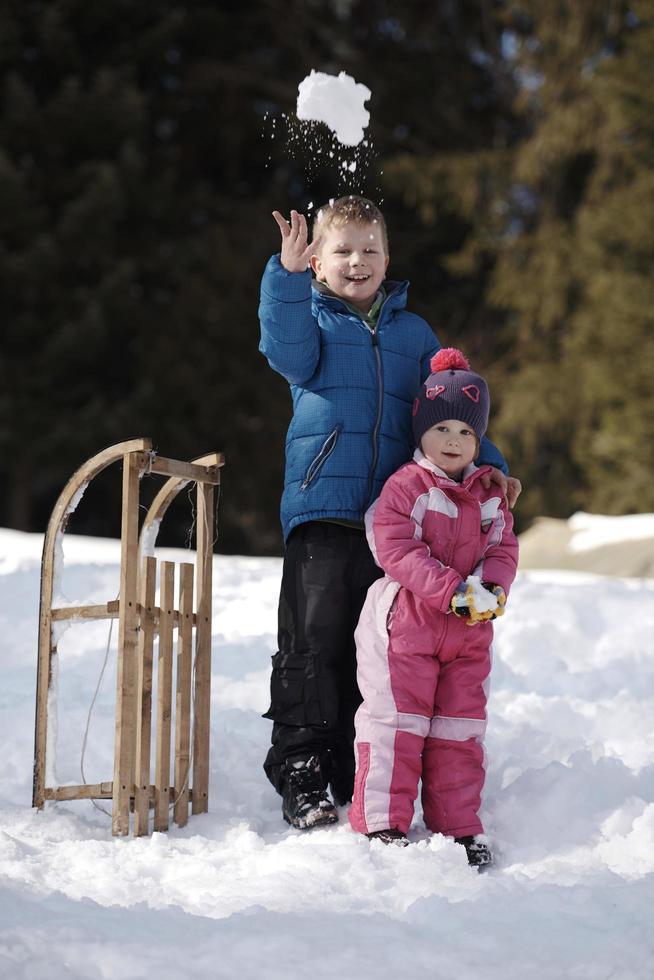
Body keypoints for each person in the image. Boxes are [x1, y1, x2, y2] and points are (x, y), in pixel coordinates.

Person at [258, 195, 521, 830]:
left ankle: (355, 762)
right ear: (318, 261)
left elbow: (443, 412)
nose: (357, 261)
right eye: (342, 251)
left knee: (369, 647)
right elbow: (282, 348)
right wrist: (287, 278)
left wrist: (492, 465)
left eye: (370, 250)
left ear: (388, 260)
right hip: (323, 510)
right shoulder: (311, 319)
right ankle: (302, 767)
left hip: (397, 524)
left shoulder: (413, 334)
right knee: (312, 642)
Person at [348, 347, 519, 869]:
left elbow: (503, 548)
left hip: (469, 633)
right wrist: (452, 590)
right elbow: (395, 548)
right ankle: (383, 820)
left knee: (459, 729)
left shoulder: (490, 497)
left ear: (479, 439)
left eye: (466, 432)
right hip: (407, 626)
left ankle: (458, 826)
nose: (453, 441)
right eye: (442, 428)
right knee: (397, 723)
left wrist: (490, 588)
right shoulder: (407, 487)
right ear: (421, 430)